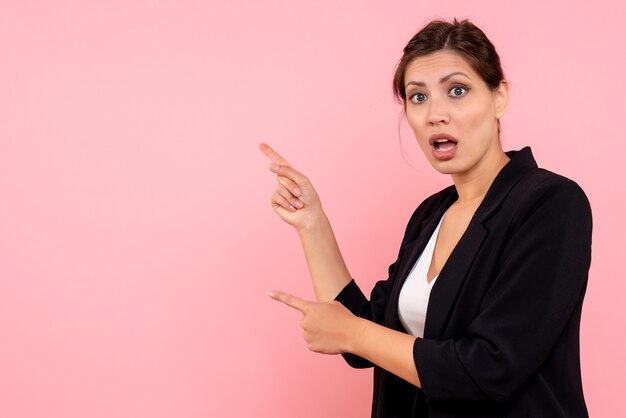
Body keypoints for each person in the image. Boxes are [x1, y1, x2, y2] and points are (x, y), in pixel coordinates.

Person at [260, 18, 592, 418]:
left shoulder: (550, 202)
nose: (435, 114)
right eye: (417, 97)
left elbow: (491, 367)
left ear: (499, 97)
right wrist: (312, 223)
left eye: (457, 90)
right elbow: (368, 339)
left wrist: (353, 333)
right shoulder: (429, 216)